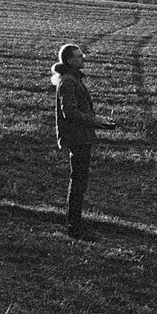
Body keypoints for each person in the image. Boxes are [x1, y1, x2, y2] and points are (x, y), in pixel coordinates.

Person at [51, 43, 116, 239]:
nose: (83, 59)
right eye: (79, 56)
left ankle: (75, 222)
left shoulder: (72, 79)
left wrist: (99, 122)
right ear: (70, 60)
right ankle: (74, 226)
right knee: (78, 181)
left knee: (79, 180)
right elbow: (69, 112)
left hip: (81, 136)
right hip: (77, 137)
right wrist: (95, 121)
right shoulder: (69, 82)